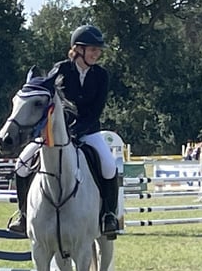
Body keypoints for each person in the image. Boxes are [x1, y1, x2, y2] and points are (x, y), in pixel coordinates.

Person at [7, 24, 120, 237]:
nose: (97, 53)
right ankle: (23, 215)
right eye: (92, 49)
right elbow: (49, 101)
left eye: (98, 50)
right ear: (78, 49)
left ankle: (108, 215)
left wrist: (77, 132)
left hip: (88, 132)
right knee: (22, 164)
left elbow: (95, 111)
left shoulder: (101, 75)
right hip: (56, 132)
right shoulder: (60, 70)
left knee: (108, 165)